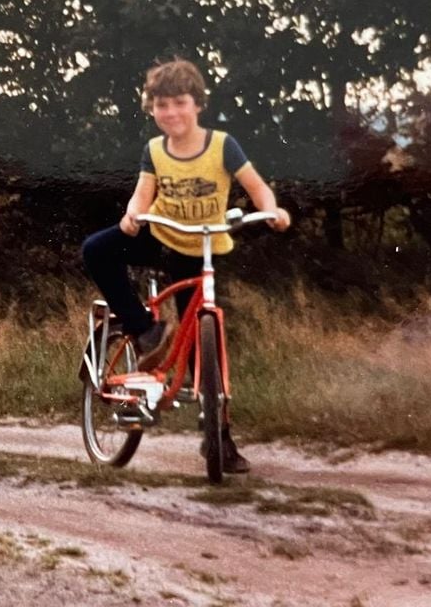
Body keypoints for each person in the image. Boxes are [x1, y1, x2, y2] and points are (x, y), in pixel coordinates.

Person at [81, 58, 290, 474]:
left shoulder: (222, 145)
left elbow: (257, 187)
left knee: (203, 342)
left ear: (197, 105)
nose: (171, 112)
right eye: (161, 105)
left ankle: (219, 442)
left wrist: (272, 211)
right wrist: (132, 214)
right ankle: (143, 327)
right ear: (152, 109)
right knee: (95, 250)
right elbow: (143, 194)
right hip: (161, 235)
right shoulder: (155, 150)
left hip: (203, 247)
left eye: (179, 102)